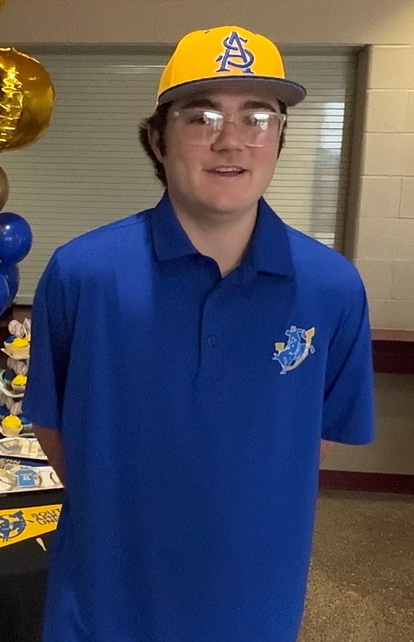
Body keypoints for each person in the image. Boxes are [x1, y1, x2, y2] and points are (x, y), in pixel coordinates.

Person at [24, 25, 375, 642]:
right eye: (201, 115)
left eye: (258, 116)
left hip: (255, 596)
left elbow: (308, 439)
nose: (231, 140)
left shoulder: (332, 287)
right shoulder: (82, 274)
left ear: (281, 137)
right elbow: (55, 427)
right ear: (157, 139)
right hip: (107, 595)